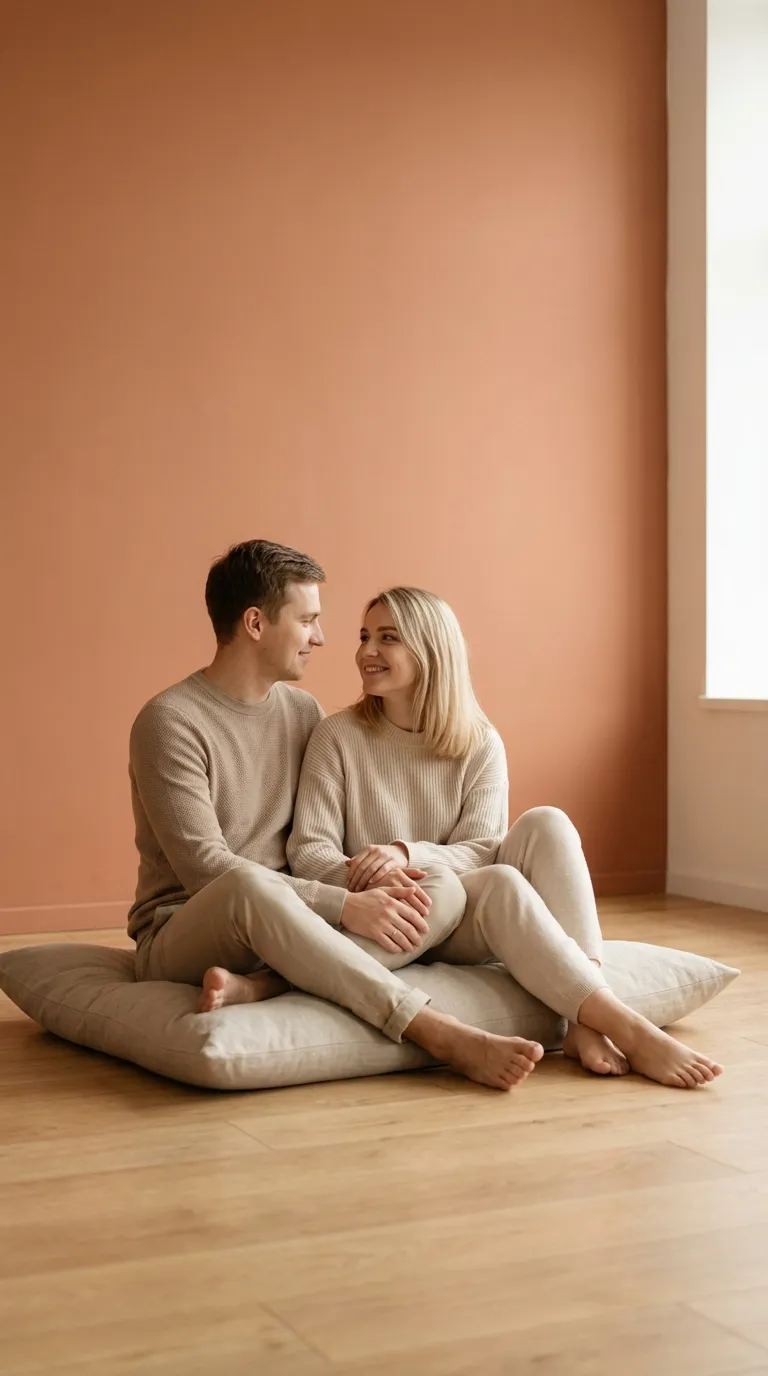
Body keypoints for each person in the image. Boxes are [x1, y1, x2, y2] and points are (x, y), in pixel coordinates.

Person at [127, 540, 544, 1092]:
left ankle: (270, 983)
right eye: (308, 620)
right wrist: (345, 906)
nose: (322, 638)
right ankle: (432, 1029)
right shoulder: (169, 721)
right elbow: (208, 870)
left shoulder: (302, 713)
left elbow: (317, 838)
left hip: (295, 920)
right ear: (255, 623)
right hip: (188, 924)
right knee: (248, 886)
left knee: (437, 884)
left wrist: (388, 876)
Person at [287, 586, 723, 1090]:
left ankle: (585, 1019)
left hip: (467, 916)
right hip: (393, 919)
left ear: (431, 650)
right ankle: (630, 1028)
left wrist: (407, 852)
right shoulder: (336, 736)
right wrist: (374, 878)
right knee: (501, 882)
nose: (366, 651)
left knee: (548, 822)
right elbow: (308, 852)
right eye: (364, 636)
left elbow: (481, 847)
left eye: (388, 638)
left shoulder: (478, 741)